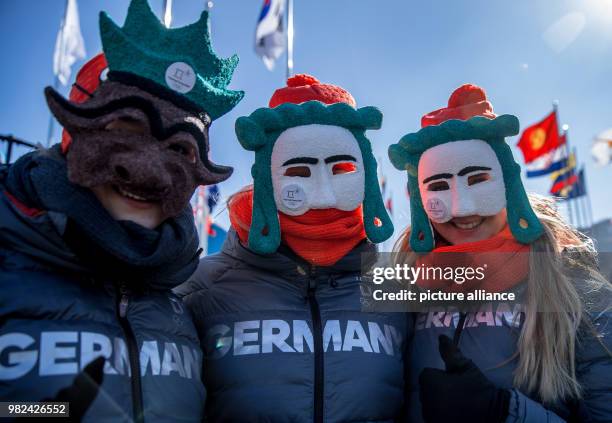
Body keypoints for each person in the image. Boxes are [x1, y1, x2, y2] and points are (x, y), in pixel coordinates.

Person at [0, 0, 243, 421]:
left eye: (178, 149)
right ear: (76, 131)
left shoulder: (183, 297)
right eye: (126, 133)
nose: (150, 173)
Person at [177, 74, 410, 422]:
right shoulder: (199, 288)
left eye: (341, 168)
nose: (324, 193)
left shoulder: (401, 292)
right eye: (299, 170)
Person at [388, 84, 612, 422]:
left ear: (507, 183)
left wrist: (505, 412)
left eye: (477, 180)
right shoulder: (406, 281)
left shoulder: (574, 282)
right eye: (438, 188)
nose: (462, 209)